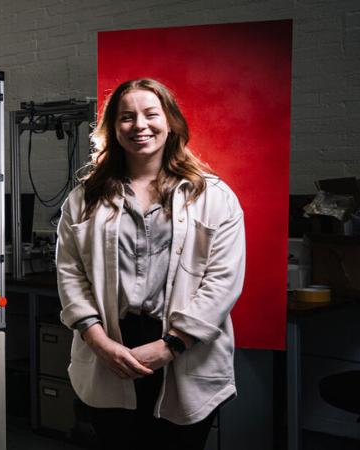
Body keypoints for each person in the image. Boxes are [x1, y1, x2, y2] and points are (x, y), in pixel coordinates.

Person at [56, 78, 246, 450]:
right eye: (126, 117)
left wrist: (171, 345)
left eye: (150, 114)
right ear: (112, 128)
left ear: (171, 121)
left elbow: (223, 281)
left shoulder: (213, 195)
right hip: (109, 346)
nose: (139, 125)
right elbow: (70, 274)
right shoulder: (85, 198)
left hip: (185, 349)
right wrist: (98, 341)